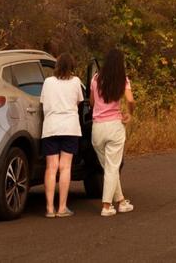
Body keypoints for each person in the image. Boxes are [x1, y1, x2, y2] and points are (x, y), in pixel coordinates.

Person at [90, 47, 135, 217]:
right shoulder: (122, 79)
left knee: (109, 167)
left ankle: (121, 202)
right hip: (114, 126)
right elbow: (130, 100)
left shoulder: (95, 79)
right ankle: (106, 206)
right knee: (112, 167)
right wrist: (129, 113)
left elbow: (92, 103)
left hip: (97, 129)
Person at [40, 52, 84, 218]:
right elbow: (79, 101)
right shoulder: (76, 82)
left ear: (56, 65)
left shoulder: (48, 82)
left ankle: (49, 208)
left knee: (51, 167)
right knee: (65, 167)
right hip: (70, 127)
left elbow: (43, 101)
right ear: (71, 67)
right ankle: (62, 207)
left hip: (50, 127)